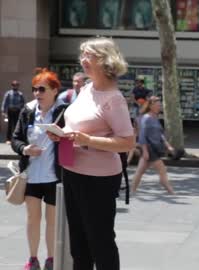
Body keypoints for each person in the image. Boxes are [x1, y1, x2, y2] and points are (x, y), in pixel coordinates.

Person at [48, 37, 135, 270]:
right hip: (72, 170)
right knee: (78, 244)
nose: (83, 60)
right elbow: (76, 124)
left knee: (101, 242)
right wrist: (61, 133)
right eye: (82, 54)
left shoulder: (114, 99)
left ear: (106, 60)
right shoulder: (86, 89)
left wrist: (88, 141)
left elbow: (127, 142)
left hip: (99, 179)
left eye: (90, 55)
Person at [11, 68, 68, 270]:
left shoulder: (65, 111)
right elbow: (15, 139)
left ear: (54, 90)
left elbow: (73, 139)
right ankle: (32, 259)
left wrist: (61, 137)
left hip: (55, 177)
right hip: (31, 176)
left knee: (52, 221)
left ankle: (51, 259)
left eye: (42, 89)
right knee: (32, 219)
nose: (37, 93)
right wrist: (25, 149)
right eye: (35, 89)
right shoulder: (27, 111)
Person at [131, 96, 175, 194]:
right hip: (149, 149)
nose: (160, 107)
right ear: (151, 106)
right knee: (162, 170)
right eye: (157, 105)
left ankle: (132, 192)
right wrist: (145, 151)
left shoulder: (155, 118)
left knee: (140, 171)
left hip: (154, 148)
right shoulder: (146, 118)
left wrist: (168, 146)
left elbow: (160, 134)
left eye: (160, 105)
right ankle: (172, 192)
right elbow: (142, 135)